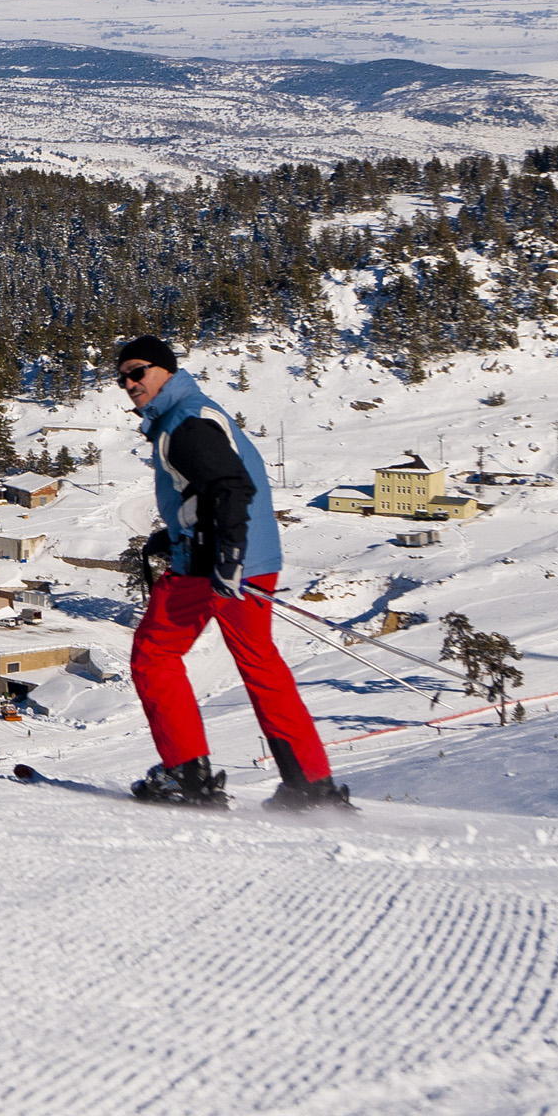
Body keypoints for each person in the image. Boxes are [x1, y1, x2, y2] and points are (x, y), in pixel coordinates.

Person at [113, 334, 352, 812]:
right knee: (260, 664)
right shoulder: (196, 410)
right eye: (121, 378)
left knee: (154, 654)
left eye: (137, 372)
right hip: (243, 558)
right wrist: (176, 533)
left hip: (216, 564)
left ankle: (188, 775)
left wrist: (227, 557)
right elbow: (211, 490)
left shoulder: (183, 423)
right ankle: (308, 784)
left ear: (164, 370)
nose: (129, 383)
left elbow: (230, 486)